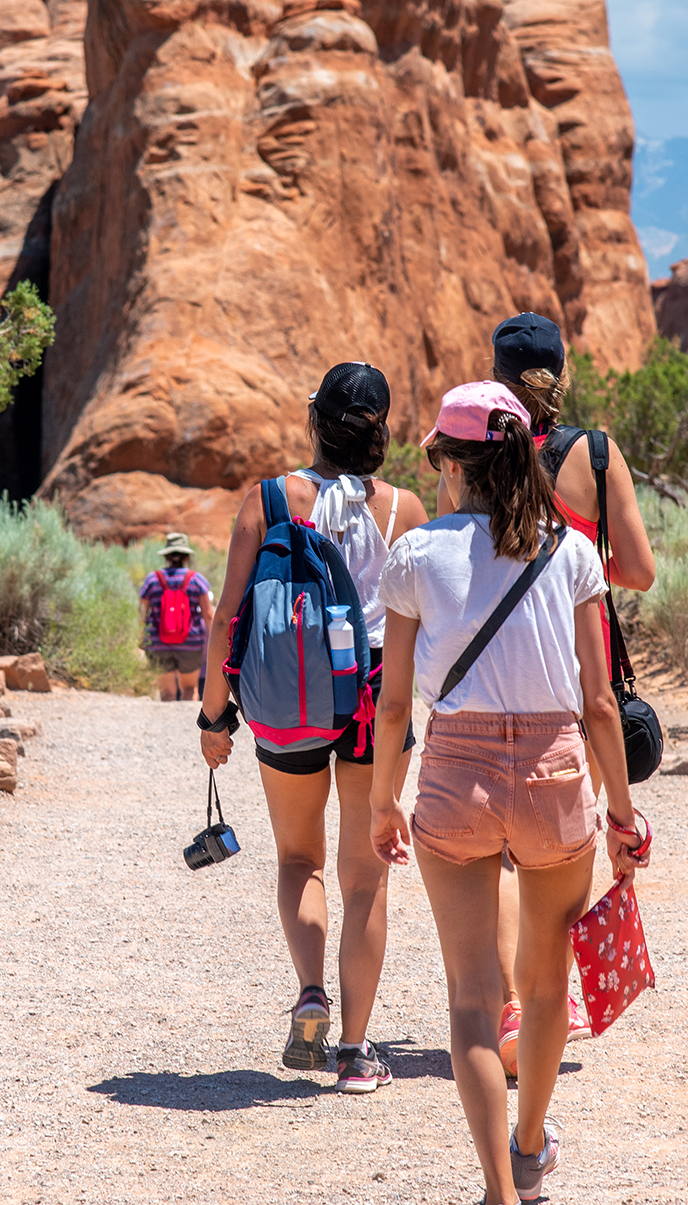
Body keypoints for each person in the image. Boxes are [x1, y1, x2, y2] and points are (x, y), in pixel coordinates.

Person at [370, 381, 650, 1205]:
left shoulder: (416, 555)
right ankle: (530, 1151)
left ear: (453, 465)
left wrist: (382, 800)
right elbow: (599, 702)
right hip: (556, 776)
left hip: (456, 778)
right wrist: (622, 814)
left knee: (472, 997)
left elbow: (393, 706)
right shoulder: (573, 551)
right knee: (547, 977)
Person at [198, 362, 428, 1094]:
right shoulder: (405, 510)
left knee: (301, 859)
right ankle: (355, 1052)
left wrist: (214, 716)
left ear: (315, 421)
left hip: (289, 695)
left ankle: (309, 994)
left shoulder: (269, 500)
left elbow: (225, 620)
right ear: (379, 432)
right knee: (366, 875)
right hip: (373, 703)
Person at [488, 313, 658, 1078]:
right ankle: (553, 999)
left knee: (500, 853)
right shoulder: (595, 453)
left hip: (498, 665)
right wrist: (581, 561)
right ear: (563, 373)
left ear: (496, 377)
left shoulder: (484, 450)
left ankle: (512, 1007)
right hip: (581, 662)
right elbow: (640, 569)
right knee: (564, 839)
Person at [140, 533, 212, 701]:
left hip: (158, 643)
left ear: (166, 557)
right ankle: (187, 719)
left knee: (167, 692)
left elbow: (141, 613)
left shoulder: (152, 579)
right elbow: (208, 614)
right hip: (190, 642)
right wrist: (215, 641)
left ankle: (167, 718)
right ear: (186, 557)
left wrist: (140, 638)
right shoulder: (196, 579)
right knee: (189, 688)